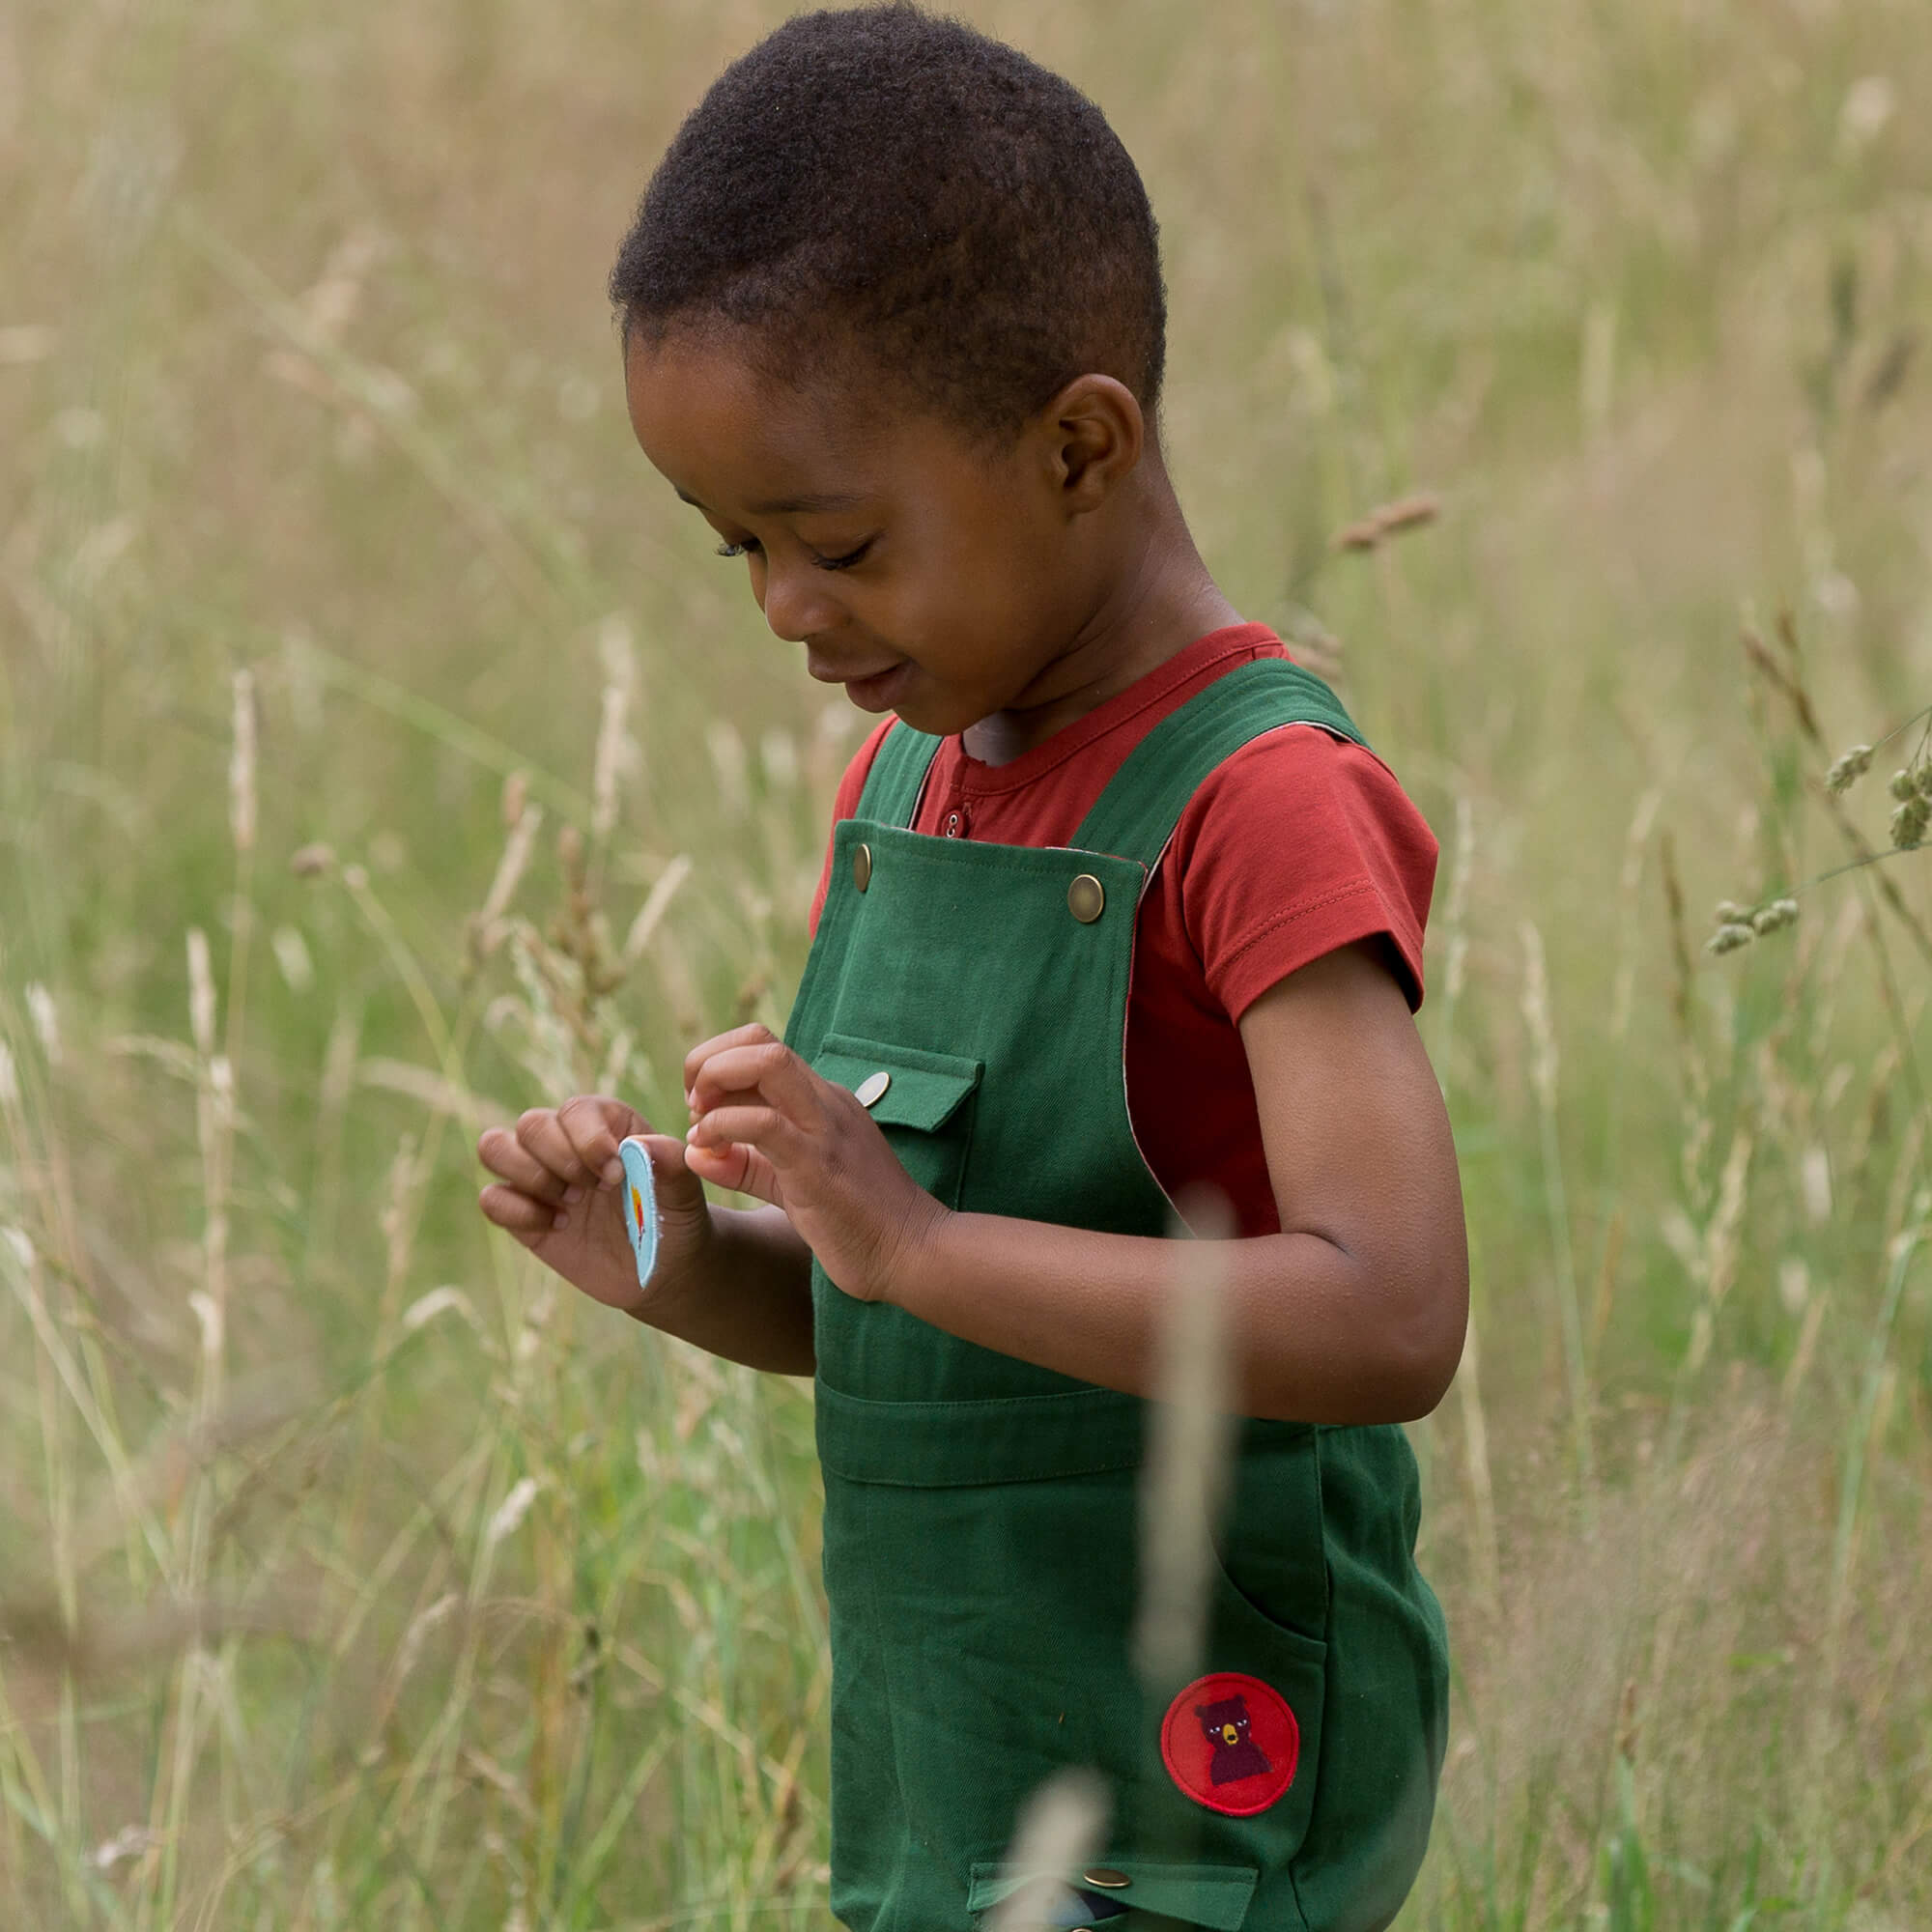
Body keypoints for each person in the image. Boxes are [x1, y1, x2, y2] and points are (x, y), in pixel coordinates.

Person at [476, 8, 1467, 1928]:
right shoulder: (910, 778)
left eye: (835, 538)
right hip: (956, 1763)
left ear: (1079, 445)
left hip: (1195, 1779)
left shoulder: (1261, 800)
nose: (782, 605)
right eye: (733, 548)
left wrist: (907, 1239)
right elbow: (918, 1326)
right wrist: (680, 1258)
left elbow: (1391, 1311)